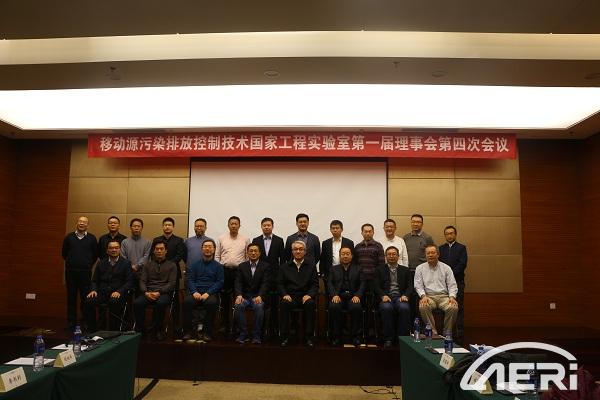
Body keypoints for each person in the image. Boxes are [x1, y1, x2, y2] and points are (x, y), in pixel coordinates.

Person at [133, 240, 177, 341]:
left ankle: (158, 330)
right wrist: (145, 292)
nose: (159, 251)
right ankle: (141, 330)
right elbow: (142, 281)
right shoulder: (147, 265)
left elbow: (171, 283)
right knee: (137, 303)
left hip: (163, 293)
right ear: (153, 251)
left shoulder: (172, 265)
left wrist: (159, 292)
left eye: (161, 249)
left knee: (161, 303)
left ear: (166, 251)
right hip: (148, 292)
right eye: (157, 249)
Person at [278, 240, 319, 347]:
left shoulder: (311, 266)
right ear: (292, 252)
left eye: (301, 249)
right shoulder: (284, 267)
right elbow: (280, 284)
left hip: (305, 297)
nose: (298, 251)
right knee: (284, 304)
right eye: (295, 249)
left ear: (305, 251)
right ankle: (284, 337)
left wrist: (309, 295)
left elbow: (315, 284)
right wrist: (284, 294)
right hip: (290, 297)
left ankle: (309, 337)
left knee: (310, 304)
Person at [85, 240, 132, 331]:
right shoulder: (101, 263)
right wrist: (93, 290)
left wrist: (119, 291)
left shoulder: (126, 263)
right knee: (89, 301)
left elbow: (129, 282)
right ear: (107, 250)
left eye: (116, 248)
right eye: (111, 248)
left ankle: (113, 330)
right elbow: (94, 280)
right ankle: (93, 329)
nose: (114, 250)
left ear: (119, 250)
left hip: (117, 293)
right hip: (102, 292)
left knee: (113, 302)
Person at [183, 239, 224, 342]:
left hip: (210, 293)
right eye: (205, 246)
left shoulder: (219, 266)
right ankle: (188, 332)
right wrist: (194, 292)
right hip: (196, 292)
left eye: (210, 247)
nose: (207, 248)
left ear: (214, 250)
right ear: (202, 249)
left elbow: (220, 282)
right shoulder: (195, 265)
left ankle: (207, 332)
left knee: (211, 303)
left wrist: (208, 293)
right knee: (187, 302)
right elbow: (190, 280)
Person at [61, 216, 98, 330]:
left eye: (84, 222)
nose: (82, 223)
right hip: (71, 272)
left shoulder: (92, 238)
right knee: (71, 297)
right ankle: (71, 322)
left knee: (85, 298)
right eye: (80, 221)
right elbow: (64, 254)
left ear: (87, 225)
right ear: (77, 223)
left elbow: (95, 255)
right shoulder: (69, 237)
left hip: (85, 272)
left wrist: (87, 265)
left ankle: (85, 321)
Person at [251, 217, 285, 339]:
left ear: (272, 226)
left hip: (275, 278)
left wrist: (280, 276)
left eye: (268, 225)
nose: (266, 227)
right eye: (264, 225)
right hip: (260, 279)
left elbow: (283, 260)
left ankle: (273, 329)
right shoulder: (256, 240)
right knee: (262, 304)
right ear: (261, 227)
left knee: (274, 305)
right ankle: (261, 330)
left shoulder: (279, 240)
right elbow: (254, 258)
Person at [215, 216, 250, 333]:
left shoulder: (245, 239)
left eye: (236, 224)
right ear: (228, 225)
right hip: (224, 271)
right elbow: (217, 256)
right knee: (224, 300)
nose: (234, 226)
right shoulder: (221, 238)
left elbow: (247, 257)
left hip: (239, 272)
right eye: (231, 224)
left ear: (239, 226)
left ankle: (237, 325)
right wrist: (220, 268)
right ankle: (225, 324)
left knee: (238, 299)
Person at [414, 245, 458, 336]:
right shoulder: (420, 268)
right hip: (428, 296)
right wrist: (423, 296)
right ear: (425, 255)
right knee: (423, 306)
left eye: (433, 253)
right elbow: (418, 285)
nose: (430, 255)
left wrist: (452, 297)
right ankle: (432, 333)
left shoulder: (446, 268)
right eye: (428, 253)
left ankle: (447, 333)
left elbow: (452, 284)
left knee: (453, 307)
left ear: (438, 254)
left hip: (444, 297)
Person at [375, 246, 413, 347]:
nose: (391, 256)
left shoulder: (405, 270)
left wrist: (406, 295)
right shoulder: (379, 270)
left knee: (404, 308)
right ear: (386, 256)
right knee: (386, 308)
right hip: (386, 297)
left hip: (400, 297)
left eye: (394, 254)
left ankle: (403, 339)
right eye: (389, 254)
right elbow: (376, 286)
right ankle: (388, 338)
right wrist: (383, 295)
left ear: (398, 256)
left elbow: (410, 286)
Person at [153, 217, 186, 331]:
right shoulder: (157, 240)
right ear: (162, 226)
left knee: (175, 299)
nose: (167, 227)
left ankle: (176, 323)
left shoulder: (179, 240)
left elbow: (179, 255)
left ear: (173, 227)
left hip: (173, 273)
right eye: (165, 225)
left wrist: (167, 265)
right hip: (157, 273)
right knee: (158, 298)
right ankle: (157, 324)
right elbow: (153, 255)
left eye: (169, 225)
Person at [327, 246, 364, 347]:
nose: (345, 256)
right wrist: (334, 295)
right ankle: (336, 336)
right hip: (338, 297)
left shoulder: (358, 268)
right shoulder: (333, 269)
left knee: (356, 307)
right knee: (334, 306)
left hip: (353, 297)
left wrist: (358, 295)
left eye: (348, 254)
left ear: (352, 256)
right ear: (339, 256)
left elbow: (362, 284)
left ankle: (356, 336)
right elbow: (329, 283)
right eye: (343, 254)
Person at [234, 244, 270, 344]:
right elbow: (238, 282)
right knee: (238, 305)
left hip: (258, 296)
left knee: (259, 306)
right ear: (247, 253)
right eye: (251, 251)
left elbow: (265, 283)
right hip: (245, 297)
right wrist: (239, 295)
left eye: (255, 251)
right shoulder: (242, 266)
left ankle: (256, 335)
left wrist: (260, 295)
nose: (253, 253)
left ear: (259, 253)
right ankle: (243, 333)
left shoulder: (265, 266)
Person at [438, 225, 468, 343]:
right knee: (445, 307)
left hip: (458, 281)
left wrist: (450, 274)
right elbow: (439, 265)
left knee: (458, 306)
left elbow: (462, 264)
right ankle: (445, 332)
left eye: (451, 233)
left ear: (455, 234)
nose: (449, 235)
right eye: (447, 234)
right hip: (443, 284)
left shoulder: (461, 248)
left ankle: (459, 333)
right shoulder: (441, 248)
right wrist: (445, 277)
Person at [320, 220, 354, 285]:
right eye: (333, 228)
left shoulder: (349, 242)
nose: (335, 230)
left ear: (342, 229)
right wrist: (322, 273)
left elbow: (352, 258)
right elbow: (322, 259)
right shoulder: (325, 243)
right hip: (329, 274)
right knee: (330, 291)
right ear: (330, 230)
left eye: (337, 228)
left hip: (345, 273)